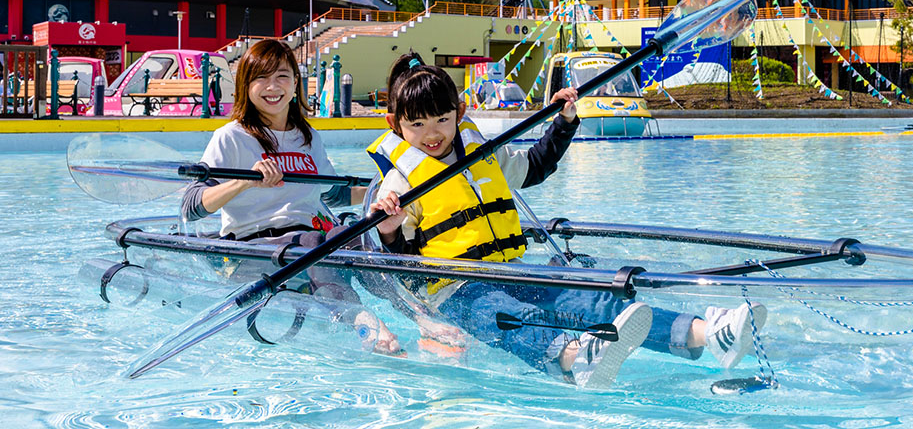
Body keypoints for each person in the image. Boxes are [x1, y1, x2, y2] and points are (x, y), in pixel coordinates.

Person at [369, 53, 766, 388]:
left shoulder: (480, 155)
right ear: (395, 125)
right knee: (515, 318)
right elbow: (406, 271)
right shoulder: (399, 184)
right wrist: (387, 227)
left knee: (592, 298)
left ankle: (707, 334)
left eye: (441, 119)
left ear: (459, 113)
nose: (432, 133)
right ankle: (574, 360)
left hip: (512, 272)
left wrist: (563, 122)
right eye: (417, 125)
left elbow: (537, 166)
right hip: (458, 292)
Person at [180, 39, 401, 355]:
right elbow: (192, 206)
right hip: (256, 249)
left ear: (296, 83)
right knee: (315, 243)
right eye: (261, 77)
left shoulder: (307, 136)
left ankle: (420, 317)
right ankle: (360, 321)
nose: (272, 86)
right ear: (246, 86)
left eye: (282, 76)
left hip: (316, 238)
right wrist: (246, 183)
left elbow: (335, 194)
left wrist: (385, 192)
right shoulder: (231, 137)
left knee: (353, 234)